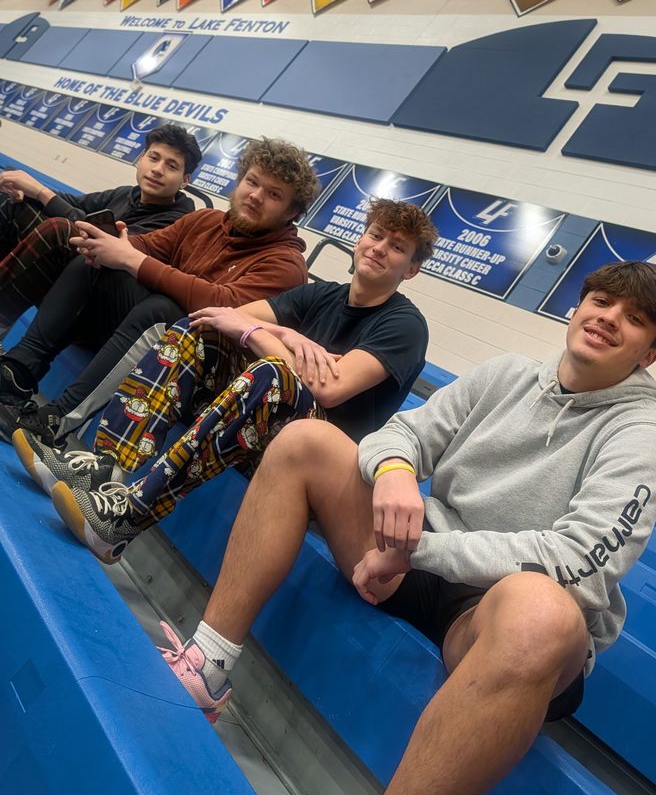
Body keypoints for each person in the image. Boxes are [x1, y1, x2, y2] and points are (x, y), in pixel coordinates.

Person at [100, 260, 656, 795]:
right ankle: (208, 663)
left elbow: (579, 559)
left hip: (493, 613)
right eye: (602, 302)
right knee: (307, 441)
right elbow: (401, 434)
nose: (609, 320)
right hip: (415, 558)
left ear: (650, 355)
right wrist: (398, 471)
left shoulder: (642, 432)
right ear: (578, 307)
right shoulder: (509, 375)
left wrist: (423, 551)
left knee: (543, 613)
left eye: (634, 321)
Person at [21, 198, 435, 566]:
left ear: (412, 269)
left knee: (272, 376)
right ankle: (105, 471)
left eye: (396, 247)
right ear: (361, 239)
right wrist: (288, 335)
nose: (379, 248)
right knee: (196, 330)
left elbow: (328, 388)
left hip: (316, 468)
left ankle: (126, 518)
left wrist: (259, 335)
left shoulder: (405, 326)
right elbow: (230, 315)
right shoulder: (324, 294)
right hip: (258, 427)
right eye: (376, 235)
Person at [0, 136, 316, 445]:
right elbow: (146, 246)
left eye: (273, 194)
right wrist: (116, 243)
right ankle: (17, 374)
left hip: (198, 375)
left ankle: (58, 418)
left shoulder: (285, 264)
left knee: (165, 311)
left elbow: (222, 306)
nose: (256, 195)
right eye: (252, 181)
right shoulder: (205, 220)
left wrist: (132, 258)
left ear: (291, 212)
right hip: (143, 338)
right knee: (95, 261)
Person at [0, 122, 198, 340]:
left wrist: (42, 193)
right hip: (69, 279)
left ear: (185, 180)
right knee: (13, 202)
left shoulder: (180, 221)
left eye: (171, 166)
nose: (157, 169)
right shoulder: (127, 193)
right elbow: (73, 202)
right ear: (141, 157)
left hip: (97, 307)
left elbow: (107, 244)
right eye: (153, 158)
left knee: (60, 230)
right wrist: (27, 191)